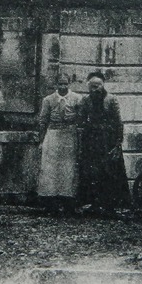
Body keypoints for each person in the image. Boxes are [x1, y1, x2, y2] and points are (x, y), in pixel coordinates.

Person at [77, 71, 129, 212]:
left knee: (110, 172)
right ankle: (94, 204)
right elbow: (80, 119)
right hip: (92, 140)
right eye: (93, 86)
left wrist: (118, 142)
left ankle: (110, 205)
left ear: (103, 85)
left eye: (98, 85)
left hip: (108, 139)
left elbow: (119, 122)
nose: (96, 89)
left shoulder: (111, 100)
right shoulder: (85, 101)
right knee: (92, 172)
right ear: (88, 87)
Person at [35, 73, 82, 212]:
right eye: (60, 84)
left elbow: (81, 118)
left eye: (65, 84)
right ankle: (50, 202)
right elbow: (43, 120)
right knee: (51, 168)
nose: (63, 86)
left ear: (69, 84)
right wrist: (41, 140)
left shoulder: (77, 99)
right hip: (53, 135)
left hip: (69, 134)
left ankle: (68, 202)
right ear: (56, 85)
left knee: (68, 168)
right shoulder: (48, 100)